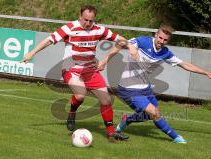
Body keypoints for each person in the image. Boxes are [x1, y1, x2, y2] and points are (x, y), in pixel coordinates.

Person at [22, 5, 136, 142]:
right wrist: (31, 53)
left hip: (90, 70)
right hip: (71, 69)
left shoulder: (99, 29)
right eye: (85, 20)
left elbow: (119, 39)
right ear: (80, 16)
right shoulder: (69, 28)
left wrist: (129, 46)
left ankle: (111, 133)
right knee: (80, 95)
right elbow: (49, 40)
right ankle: (72, 111)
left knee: (106, 99)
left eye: (91, 21)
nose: (88, 23)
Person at [97, 24, 211, 144]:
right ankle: (175, 137)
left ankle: (127, 120)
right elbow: (121, 42)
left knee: (150, 114)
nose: (161, 41)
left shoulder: (165, 52)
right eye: (160, 37)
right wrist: (106, 60)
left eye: (165, 40)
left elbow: (184, 64)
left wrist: (206, 73)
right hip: (128, 88)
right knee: (154, 113)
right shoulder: (143, 41)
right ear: (156, 34)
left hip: (145, 88)